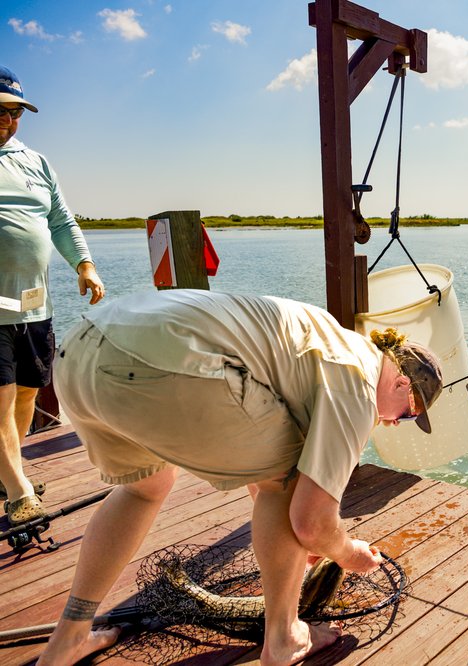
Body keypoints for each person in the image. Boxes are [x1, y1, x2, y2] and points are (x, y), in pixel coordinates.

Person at [37, 289, 444, 666]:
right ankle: (284, 638)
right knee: (287, 478)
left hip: (79, 356)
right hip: (158, 365)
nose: (395, 422)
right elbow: (310, 519)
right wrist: (346, 551)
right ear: (401, 382)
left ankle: (69, 637)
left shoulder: (331, 337)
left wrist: (296, 542)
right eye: (409, 413)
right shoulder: (358, 381)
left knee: (144, 489)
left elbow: (258, 454)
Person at [1, 65, 105, 526]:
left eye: (16, 112)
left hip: (33, 306)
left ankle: (8, 471)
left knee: (28, 393)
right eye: (0, 111)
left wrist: (84, 265)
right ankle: (18, 492)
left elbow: (61, 221)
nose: (8, 120)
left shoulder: (36, 162)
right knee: (1, 400)